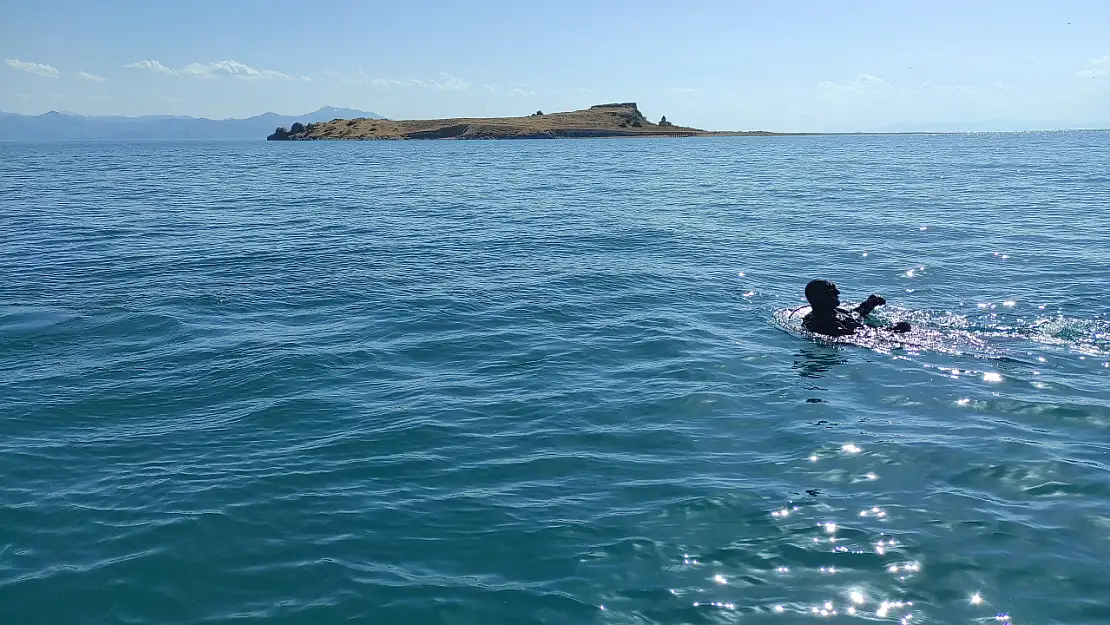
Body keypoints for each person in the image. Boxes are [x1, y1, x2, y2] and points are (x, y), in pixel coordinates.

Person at [801, 279, 911, 337]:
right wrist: (891, 331)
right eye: (832, 290)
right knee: (904, 327)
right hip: (870, 335)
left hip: (868, 329)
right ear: (822, 297)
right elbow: (857, 336)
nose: (838, 292)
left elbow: (855, 314)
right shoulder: (821, 324)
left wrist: (869, 304)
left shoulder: (835, 311)